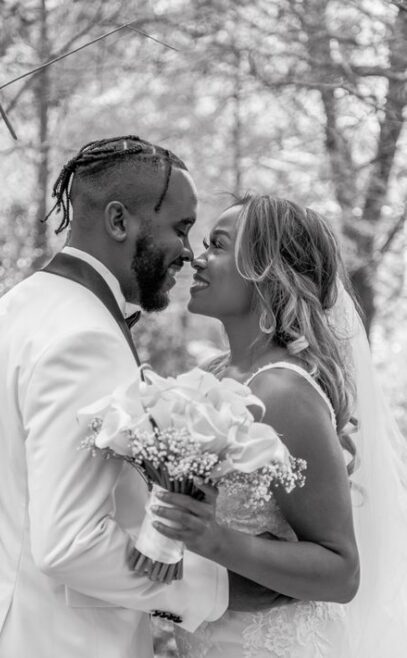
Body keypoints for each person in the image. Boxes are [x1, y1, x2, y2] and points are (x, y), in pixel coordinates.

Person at [0, 135, 232, 658]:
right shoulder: (83, 337)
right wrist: (218, 590)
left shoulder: (4, 315)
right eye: (181, 227)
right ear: (118, 221)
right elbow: (70, 545)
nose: (187, 250)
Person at [152, 194, 407, 657]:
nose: (197, 257)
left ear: (267, 271)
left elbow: (342, 571)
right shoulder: (212, 376)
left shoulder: (284, 393)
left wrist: (214, 540)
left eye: (219, 245)